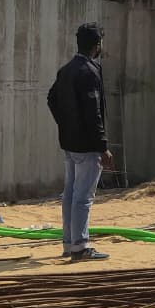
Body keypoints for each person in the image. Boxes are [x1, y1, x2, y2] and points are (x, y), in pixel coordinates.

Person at [46, 23, 114, 261]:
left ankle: (69, 243)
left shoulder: (66, 70)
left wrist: (66, 124)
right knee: (83, 197)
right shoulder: (89, 72)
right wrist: (103, 146)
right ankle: (80, 247)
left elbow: (52, 99)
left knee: (70, 194)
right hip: (87, 146)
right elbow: (93, 113)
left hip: (70, 143)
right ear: (97, 45)